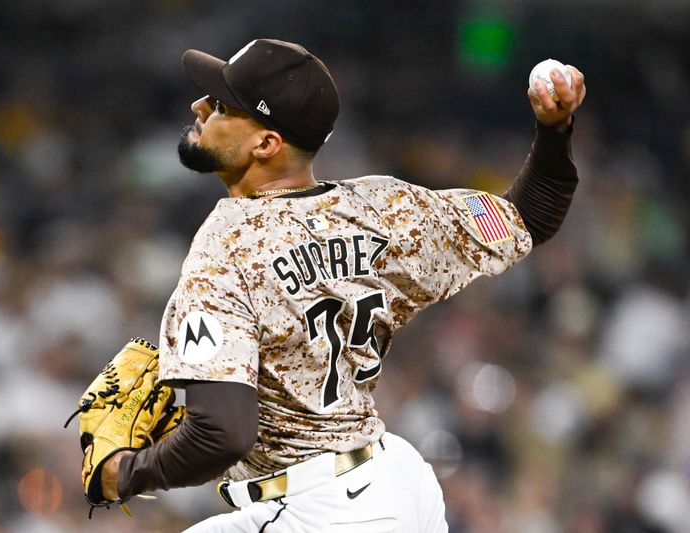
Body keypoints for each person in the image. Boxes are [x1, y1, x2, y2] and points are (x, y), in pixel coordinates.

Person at [96, 38, 585, 532]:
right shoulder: (387, 210)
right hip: (395, 480)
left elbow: (222, 435)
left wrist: (127, 474)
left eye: (222, 106)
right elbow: (530, 214)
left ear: (266, 143)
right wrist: (554, 130)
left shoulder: (226, 250)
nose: (199, 107)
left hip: (319, 508)